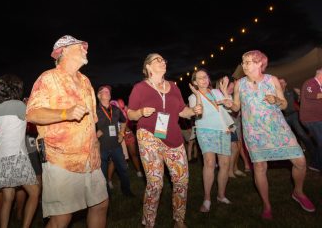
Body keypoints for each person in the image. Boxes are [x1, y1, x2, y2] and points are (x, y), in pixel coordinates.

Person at [221, 50, 315, 219]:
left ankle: (298, 192)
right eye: (243, 62)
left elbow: (284, 104)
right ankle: (267, 205)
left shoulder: (272, 80)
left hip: (278, 128)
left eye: (248, 61)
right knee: (259, 167)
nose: (244, 65)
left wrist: (277, 100)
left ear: (259, 63)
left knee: (300, 161)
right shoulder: (239, 84)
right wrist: (229, 103)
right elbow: (236, 107)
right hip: (254, 131)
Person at [26, 35, 108, 228]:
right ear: (64, 51)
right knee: (62, 217)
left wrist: (95, 143)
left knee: (101, 204)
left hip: (90, 158)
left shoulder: (86, 81)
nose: (86, 49)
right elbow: (32, 114)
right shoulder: (48, 78)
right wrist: (66, 113)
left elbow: (91, 121)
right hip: (61, 159)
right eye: (81, 46)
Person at [127, 53, 202, 228]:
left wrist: (193, 110)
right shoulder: (140, 88)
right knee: (155, 183)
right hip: (149, 135)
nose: (162, 62)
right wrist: (140, 113)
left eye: (163, 60)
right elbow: (130, 113)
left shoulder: (174, 87)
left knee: (181, 180)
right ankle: (149, 222)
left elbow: (182, 110)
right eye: (157, 60)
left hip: (173, 137)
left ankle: (179, 220)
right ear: (148, 67)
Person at [0, 75, 40, 228]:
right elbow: (35, 121)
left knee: (7, 198)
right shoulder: (19, 105)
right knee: (35, 193)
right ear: (15, 88)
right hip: (16, 156)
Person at [189, 69, 234, 213]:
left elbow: (231, 107)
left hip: (223, 130)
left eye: (206, 77)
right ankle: (207, 199)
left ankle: (221, 195)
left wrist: (225, 91)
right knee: (209, 162)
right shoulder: (192, 96)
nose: (204, 79)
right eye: (200, 78)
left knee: (225, 164)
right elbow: (199, 113)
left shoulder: (216, 92)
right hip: (205, 130)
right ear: (195, 82)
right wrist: (197, 95)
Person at [96, 85, 134, 197]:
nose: (108, 92)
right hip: (101, 147)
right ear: (99, 96)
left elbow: (124, 121)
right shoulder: (95, 110)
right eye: (105, 91)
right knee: (102, 174)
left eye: (109, 91)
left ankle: (127, 191)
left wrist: (121, 133)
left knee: (123, 169)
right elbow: (87, 126)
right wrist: (94, 133)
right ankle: (105, 196)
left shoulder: (116, 109)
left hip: (116, 145)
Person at [279, 78, 318, 171]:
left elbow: (301, 100)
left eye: (283, 82)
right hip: (283, 118)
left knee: (301, 134)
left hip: (293, 115)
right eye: (279, 82)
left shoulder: (292, 92)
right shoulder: (276, 93)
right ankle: (290, 157)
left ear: (286, 84)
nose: (281, 84)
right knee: (286, 137)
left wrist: (300, 94)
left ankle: (314, 153)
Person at [299, 69, 322, 173]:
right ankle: (317, 165)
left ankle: (315, 164)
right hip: (311, 119)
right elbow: (313, 95)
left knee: (320, 142)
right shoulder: (310, 83)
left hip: (317, 118)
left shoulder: (319, 86)